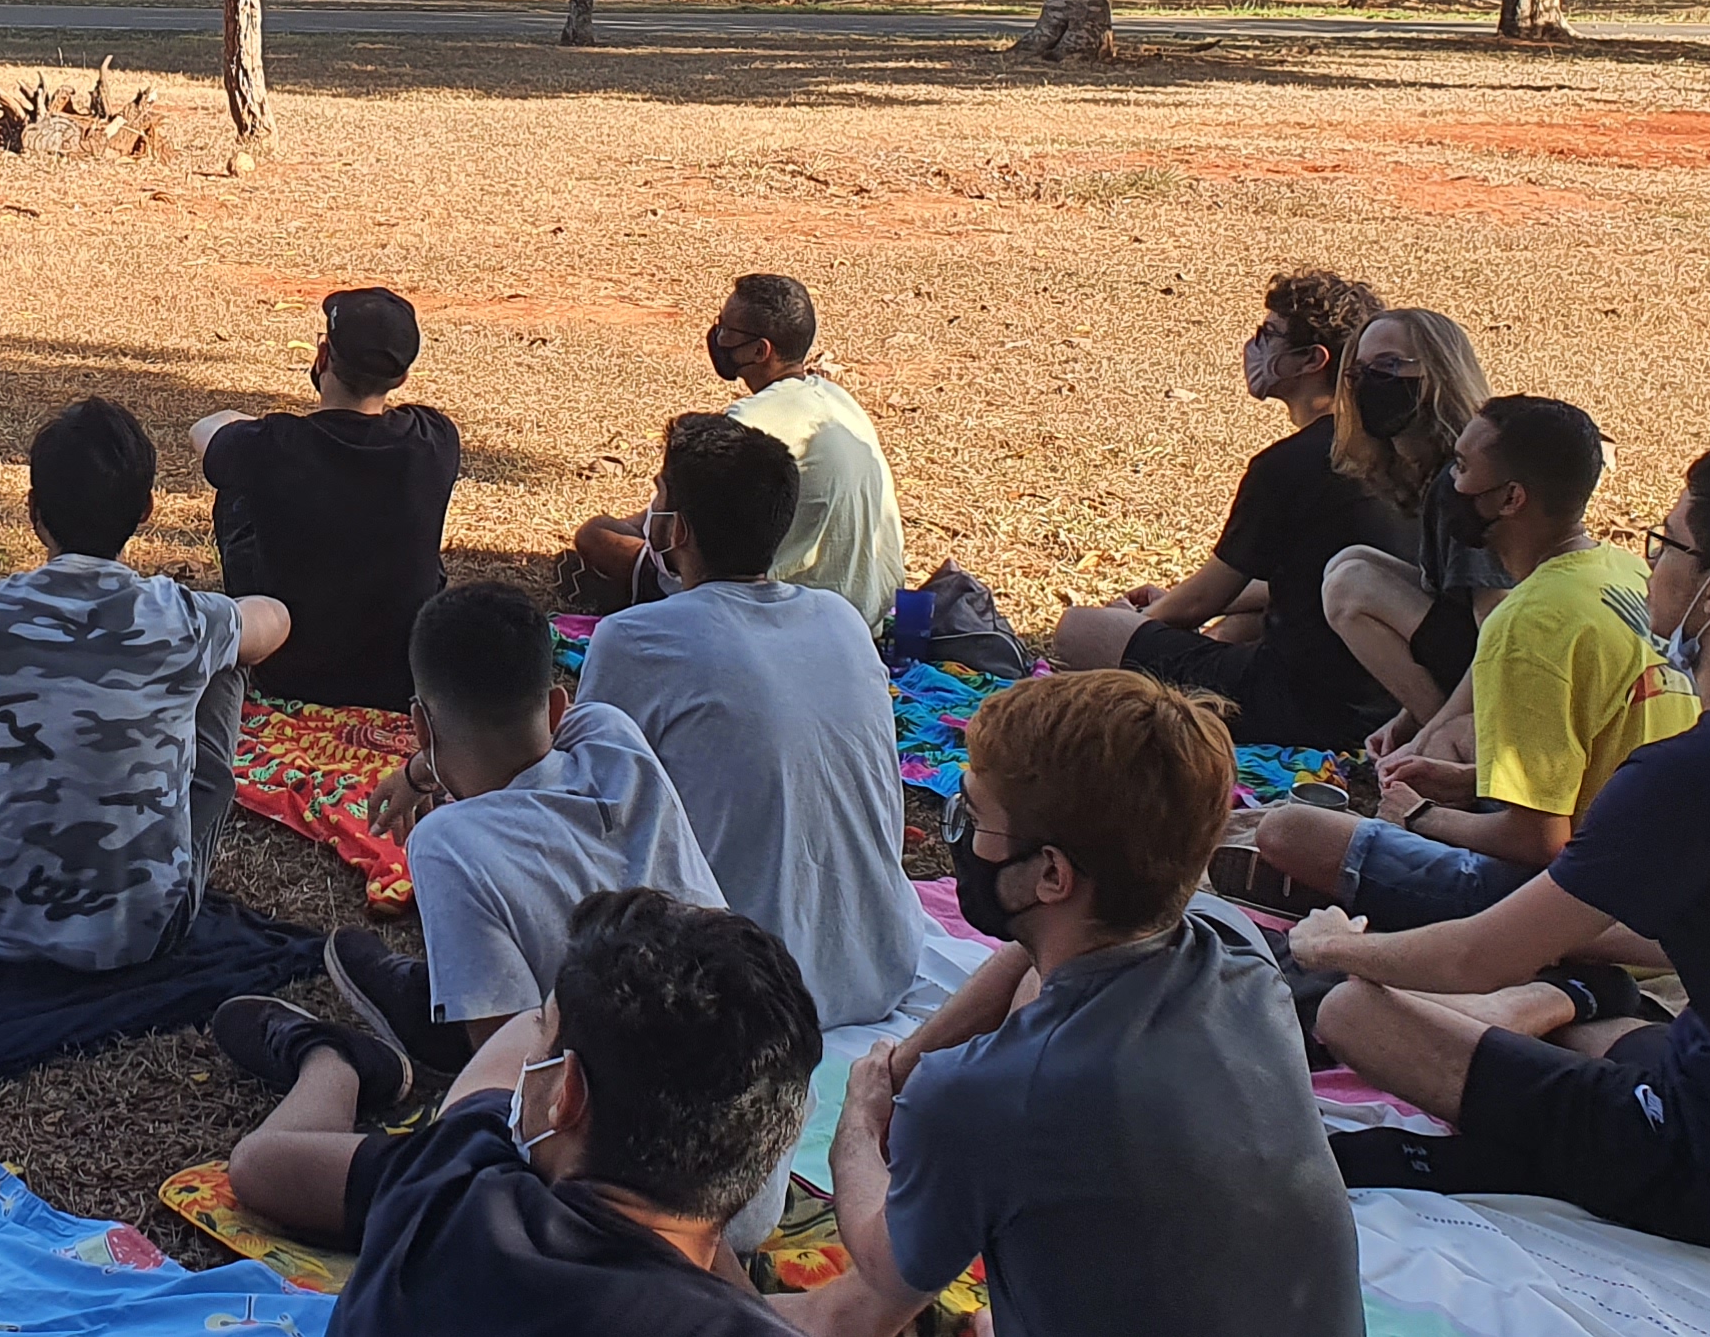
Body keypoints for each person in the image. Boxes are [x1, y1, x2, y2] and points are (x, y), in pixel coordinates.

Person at [1298, 452, 1710, 1262]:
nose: (1650, 562)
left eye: (1667, 545)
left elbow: (1476, 956)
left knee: (1350, 1011)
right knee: (1608, 1029)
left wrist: (1332, 946)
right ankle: (1564, 1004)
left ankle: (1556, 1040)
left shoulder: (1701, 766)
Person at [777, 669, 1363, 1337]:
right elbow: (1037, 954)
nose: (961, 838)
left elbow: (883, 1266)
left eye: (974, 819)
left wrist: (861, 1114)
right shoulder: (1240, 954)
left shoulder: (991, 1092)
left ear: (1052, 874)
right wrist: (909, 1058)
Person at [210, 889, 819, 1337]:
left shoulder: (455, 1187)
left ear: (566, 1092)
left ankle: (332, 1057)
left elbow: (503, 1065)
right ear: (778, 1136)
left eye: (545, 1041)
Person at [1254, 397, 1693, 927]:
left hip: (1582, 898)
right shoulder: (1616, 570)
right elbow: (1596, 747)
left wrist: (1419, 814)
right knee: (1452, 741)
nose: (1451, 486)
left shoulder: (1529, 623)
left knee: (1287, 832)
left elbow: (1541, 842)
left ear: (1510, 498)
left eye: (1461, 469)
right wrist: (1464, 782)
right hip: (1656, 865)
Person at [572, 412, 924, 1029]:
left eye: (658, 493)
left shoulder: (636, 639)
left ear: (674, 529)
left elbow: (588, 809)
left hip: (744, 997)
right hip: (884, 961)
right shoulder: (841, 621)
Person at [0, 397, 290, 970]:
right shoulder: (180, 617)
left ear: (33, 510)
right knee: (229, 654)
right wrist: (237, 615)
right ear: (146, 510)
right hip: (145, 932)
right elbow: (275, 622)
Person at [305, 582, 724, 1086]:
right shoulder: (612, 735)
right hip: (729, 1026)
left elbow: (512, 1073)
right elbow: (548, 736)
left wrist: (424, 767)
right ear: (555, 707)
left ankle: (432, 1020)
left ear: (418, 724)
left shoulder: (445, 842)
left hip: (621, 1100)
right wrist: (420, 772)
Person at [1051, 269, 1411, 750]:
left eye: (1268, 335)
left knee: (1081, 631)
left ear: (1310, 360)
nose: (1254, 345)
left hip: (1307, 709)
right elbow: (1308, 577)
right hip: (1385, 695)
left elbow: (1201, 600)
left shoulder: (1288, 466)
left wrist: (1136, 624)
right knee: (1237, 626)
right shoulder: (1392, 449)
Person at [569, 275, 904, 627]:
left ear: (761, 351)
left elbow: (671, 539)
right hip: (864, 612)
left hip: (774, 613)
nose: (717, 337)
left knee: (597, 534)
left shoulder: (747, 425)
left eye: (727, 329)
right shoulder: (840, 401)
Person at [191, 286, 463, 712]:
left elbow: (206, 432)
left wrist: (251, 429)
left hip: (289, 669)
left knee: (237, 487)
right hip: (400, 676)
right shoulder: (436, 439)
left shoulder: (276, 445)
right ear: (402, 378)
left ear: (322, 357)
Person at [1317, 308, 1504, 747]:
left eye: (1387, 367)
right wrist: (1404, 721)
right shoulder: (1434, 473)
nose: (1368, 384)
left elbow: (1500, 630)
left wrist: (1434, 735)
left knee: (1351, 584)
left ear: (1438, 372)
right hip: (1486, 657)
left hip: (1517, 669)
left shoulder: (1463, 482)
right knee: (1351, 563)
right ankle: (1434, 728)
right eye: (1357, 372)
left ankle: (1454, 743)